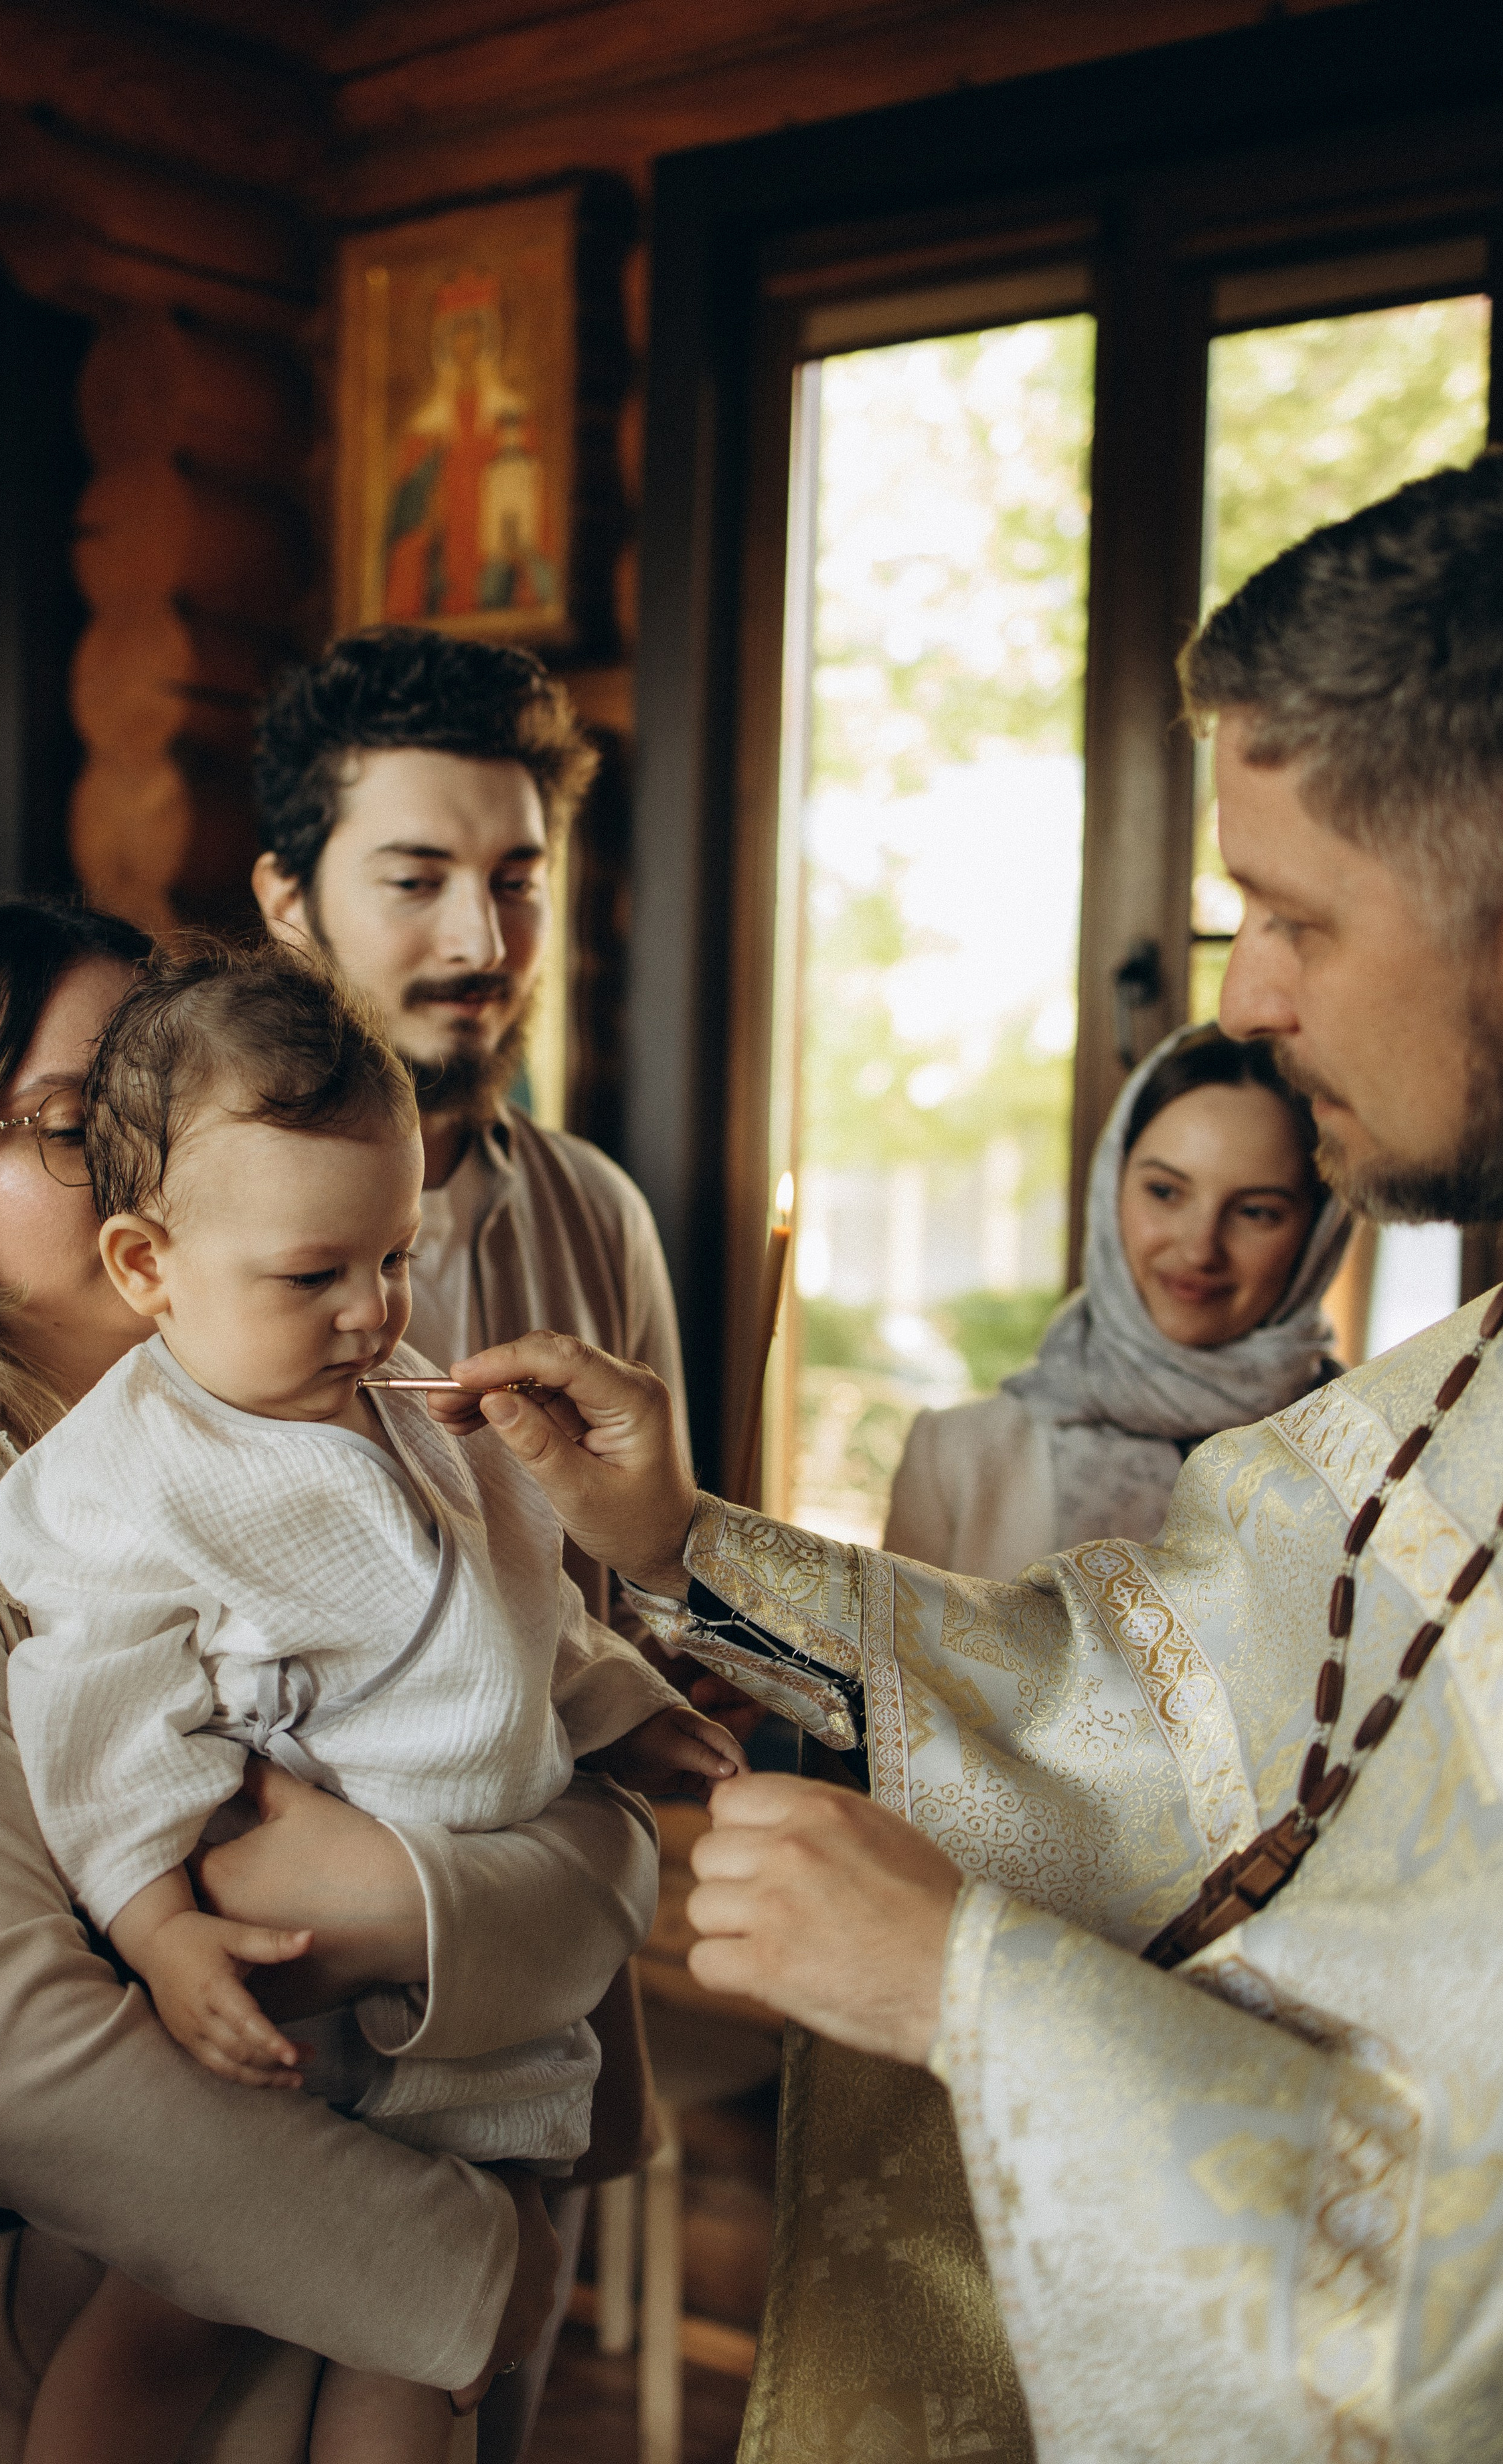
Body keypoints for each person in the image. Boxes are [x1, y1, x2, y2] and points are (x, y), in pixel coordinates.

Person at [425, 453, 1503, 2463]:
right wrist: (681, 1540)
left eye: (1289, 917)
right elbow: (1144, 1700)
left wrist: (968, 1999)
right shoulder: (1459, 1396)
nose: (1247, 1001)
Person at [0, 900, 659, 2464]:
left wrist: (448, 1883)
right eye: (80, 1125)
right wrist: (465, 2258)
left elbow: (568, 1798)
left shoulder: (327, 1413)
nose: (146, 1150)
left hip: (385, 2132)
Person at [0, 940, 735, 2464]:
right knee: (157, 2329)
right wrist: (151, 1920)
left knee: (431, 2362)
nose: (368, 1311)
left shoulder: (421, 1411)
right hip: (281, 2019)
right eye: (311, 1275)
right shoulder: (125, 1476)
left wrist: (622, 1704)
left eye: (392, 1257)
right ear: (147, 1265)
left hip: (485, 2022)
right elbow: (95, 1713)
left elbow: (517, 1607)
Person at [252, 627, 698, 2450]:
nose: (481, 941)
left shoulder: (597, 1213)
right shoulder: (184, 1214)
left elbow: (657, 1593)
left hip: (545, 1976)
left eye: (516, 879)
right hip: (270, 1983)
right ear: (290, 901)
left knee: (486, 2403)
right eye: (416, 879)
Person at [885, 1023, 1350, 1576]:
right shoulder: (957, 1459)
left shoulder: (1366, 1467)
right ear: (1112, 1189)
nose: (1200, 1247)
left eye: (1256, 1211)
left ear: (1318, 1234)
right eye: (1165, 1192)